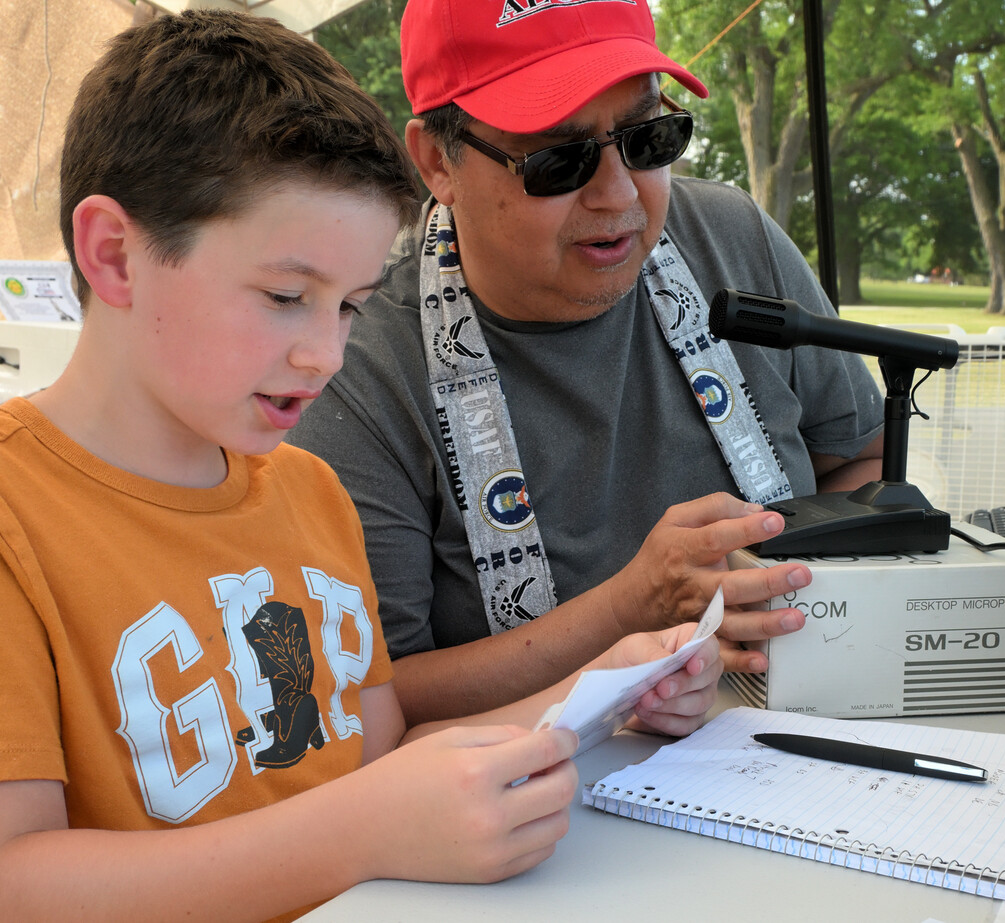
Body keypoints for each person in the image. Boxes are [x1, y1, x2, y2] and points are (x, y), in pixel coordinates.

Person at [0, 11, 724, 921]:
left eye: (349, 306)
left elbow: (376, 755)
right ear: (114, 254)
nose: (326, 355)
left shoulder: (308, 491)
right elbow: (17, 879)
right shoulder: (19, 518)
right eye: (285, 296)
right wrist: (361, 833)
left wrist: (606, 686)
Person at [288, 0, 886, 726]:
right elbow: (371, 699)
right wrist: (630, 613)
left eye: (647, 138)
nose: (619, 193)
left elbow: (863, 459)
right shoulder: (359, 360)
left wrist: (780, 589)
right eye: (559, 159)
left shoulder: (734, 240)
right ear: (439, 162)